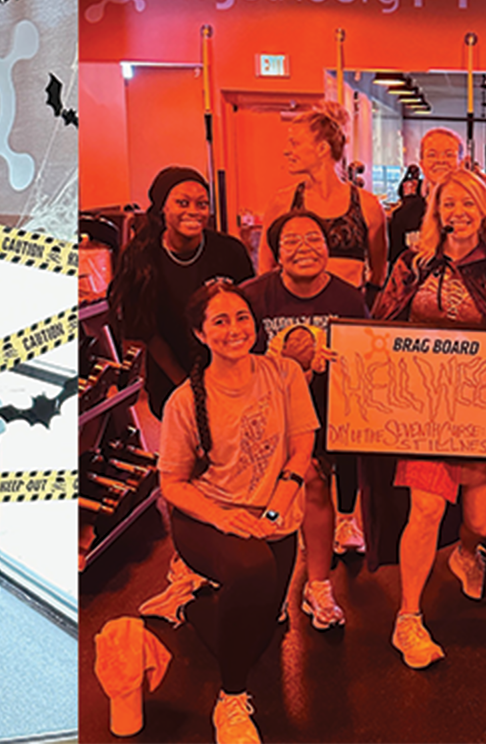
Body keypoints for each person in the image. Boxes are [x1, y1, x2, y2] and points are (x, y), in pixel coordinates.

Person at [370, 170, 486, 668]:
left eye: (468, 203)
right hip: (423, 409)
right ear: (435, 212)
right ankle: (408, 618)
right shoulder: (412, 264)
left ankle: (463, 553)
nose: (458, 213)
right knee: (427, 509)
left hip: (478, 410)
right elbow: (381, 325)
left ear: (484, 210)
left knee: (478, 521)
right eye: (448, 204)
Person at [157, 279, 317, 744]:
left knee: (261, 633)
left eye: (242, 317)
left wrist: (276, 511)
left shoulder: (284, 373)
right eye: (220, 321)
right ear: (200, 333)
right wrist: (223, 518)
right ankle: (230, 699)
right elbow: (172, 484)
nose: (234, 329)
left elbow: (302, 446)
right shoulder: (185, 401)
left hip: (273, 515)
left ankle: (189, 604)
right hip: (207, 518)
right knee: (252, 571)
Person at [239, 210, 371, 627]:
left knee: (315, 486)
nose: (304, 249)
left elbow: (367, 361)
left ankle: (318, 586)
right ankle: (271, 586)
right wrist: (282, 363)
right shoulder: (253, 297)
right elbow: (234, 359)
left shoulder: (348, 299)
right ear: (275, 253)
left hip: (327, 412)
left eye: (314, 239)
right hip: (265, 413)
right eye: (291, 241)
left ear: (328, 248)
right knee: (265, 497)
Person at [114, 167, 255, 424]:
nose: (194, 211)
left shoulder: (230, 251)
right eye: (182, 203)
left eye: (202, 204)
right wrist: (187, 387)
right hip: (172, 378)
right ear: (163, 208)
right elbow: (148, 332)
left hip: (231, 373)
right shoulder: (140, 258)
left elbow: (250, 315)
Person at [266, 103, 385, 290]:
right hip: (296, 306)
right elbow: (266, 268)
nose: (287, 151)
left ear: (322, 148)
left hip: (350, 306)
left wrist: (365, 305)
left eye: (295, 143)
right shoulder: (283, 203)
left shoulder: (367, 205)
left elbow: (378, 274)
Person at [388, 129, 464, 268]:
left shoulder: (474, 214)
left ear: (461, 163)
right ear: (422, 164)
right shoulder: (403, 216)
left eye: (449, 155)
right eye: (432, 155)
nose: (440, 161)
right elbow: (395, 268)